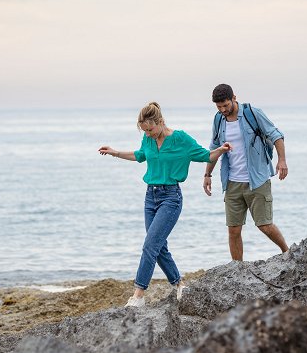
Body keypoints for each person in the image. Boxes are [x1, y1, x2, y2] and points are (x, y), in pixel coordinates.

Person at [99, 102, 231, 308]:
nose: (148, 134)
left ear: (160, 122)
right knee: (158, 247)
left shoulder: (180, 139)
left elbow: (205, 155)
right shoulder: (148, 139)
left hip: (171, 198)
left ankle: (138, 296)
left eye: (150, 129)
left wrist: (221, 150)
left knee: (150, 245)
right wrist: (115, 152)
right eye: (145, 131)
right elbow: (139, 155)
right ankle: (179, 285)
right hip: (150, 197)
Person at [203, 84, 289, 261]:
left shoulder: (252, 113)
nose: (223, 110)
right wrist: (207, 175)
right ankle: (237, 268)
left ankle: (287, 253)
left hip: (257, 180)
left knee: (264, 225)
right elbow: (214, 148)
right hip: (232, 182)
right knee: (233, 230)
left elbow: (276, 135)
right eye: (219, 107)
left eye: (225, 105)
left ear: (234, 98)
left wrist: (281, 160)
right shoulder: (218, 119)